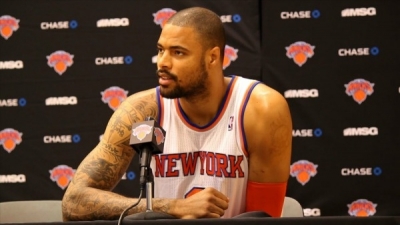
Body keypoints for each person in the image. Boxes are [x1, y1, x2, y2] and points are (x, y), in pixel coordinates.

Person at [62, 6, 292, 221]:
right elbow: (73, 202)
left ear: (212, 57)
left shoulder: (260, 109)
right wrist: (171, 206)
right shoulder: (141, 111)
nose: (162, 62)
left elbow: (264, 219)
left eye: (178, 53)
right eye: (161, 50)